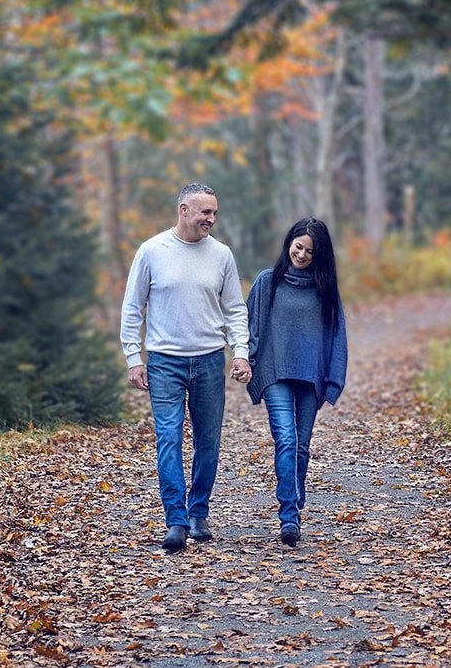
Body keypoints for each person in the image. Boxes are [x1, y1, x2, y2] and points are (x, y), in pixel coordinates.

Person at [120, 183, 252, 553]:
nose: (211, 219)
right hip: (164, 360)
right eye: (204, 212)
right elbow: (133, 308)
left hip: (210, 358)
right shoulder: (152, 251)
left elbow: (234, 309)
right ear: (183, 210)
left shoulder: (222, 255)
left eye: (214, 213)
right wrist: (134, 357)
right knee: (169, 438)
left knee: (208, 440)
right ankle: (175, 520)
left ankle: (199, 514)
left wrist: (240, 352)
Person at [246, 218, 348, 547]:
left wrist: (333, 378)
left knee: (302, 447)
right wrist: (245, 358)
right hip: (274, 369)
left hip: (310, 375)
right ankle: (289, 515)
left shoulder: (325, 290)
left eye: (310, 251)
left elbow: (337, 335)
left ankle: (294, 500)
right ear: (288, 242)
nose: (301, 254)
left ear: (320, 255)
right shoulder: (267, 282)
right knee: (286, 440)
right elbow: (249, 325)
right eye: (298, 246)